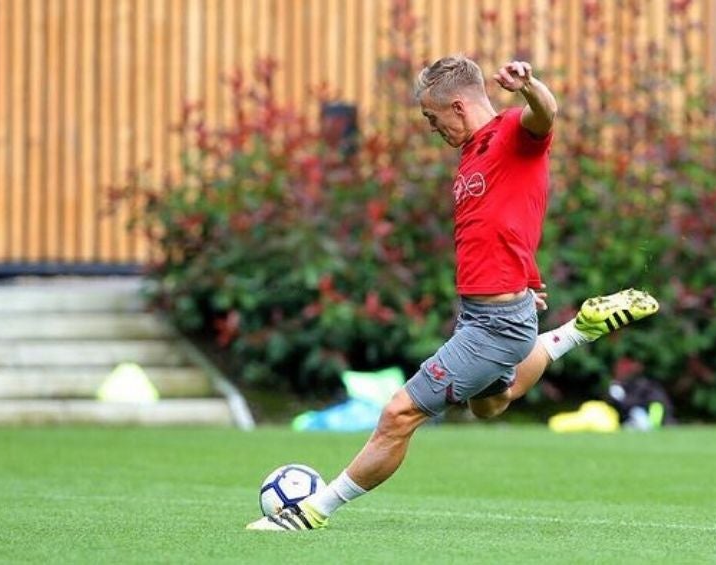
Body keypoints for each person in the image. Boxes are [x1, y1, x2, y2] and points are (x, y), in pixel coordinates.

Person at [246, 55, 658, 531]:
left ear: (458, 106)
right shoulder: (472, 153)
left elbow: (546, 114)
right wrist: (522, 274)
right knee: (490, 405)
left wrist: (528, 86)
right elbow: (502, 219)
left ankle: (311, 513)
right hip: (490, 312)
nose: (431, 127)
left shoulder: (511, 132)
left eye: (431, 117)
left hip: (496, 325)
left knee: (399, 414)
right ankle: (576, 332)